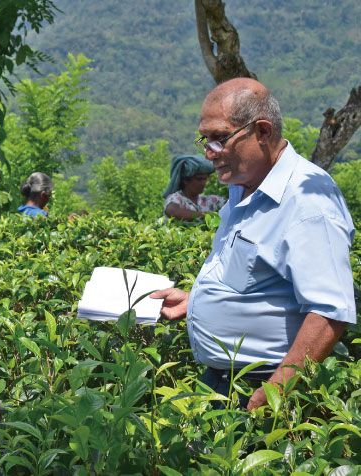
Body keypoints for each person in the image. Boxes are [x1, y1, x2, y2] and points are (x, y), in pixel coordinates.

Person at [150, 78, 355, 410]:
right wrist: (196, 301)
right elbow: (252, 274)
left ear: (262, 131)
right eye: (205, 138)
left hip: (258, 387)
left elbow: (330, 311)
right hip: (221, 382)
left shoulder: (307, 202)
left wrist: (276, 392)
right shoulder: (243, 185)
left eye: (219, 139)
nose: (208, 152)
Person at [163, 155, 225, 221]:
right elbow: (172, 211)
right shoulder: (176, 198)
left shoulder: (211, 200)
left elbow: (230, 204)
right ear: (186, 180)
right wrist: (207, 216)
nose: (203, 183)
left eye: (205, 179)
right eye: (199, 179)